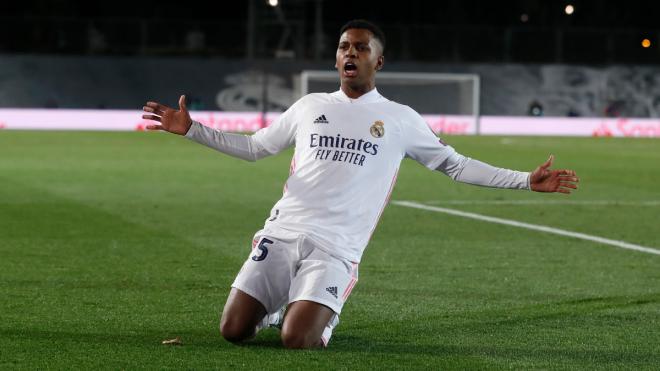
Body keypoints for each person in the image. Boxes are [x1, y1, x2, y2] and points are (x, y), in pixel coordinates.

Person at [142, 19, 579, 349]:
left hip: (336, 247)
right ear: (336, 59)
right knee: (233, 332)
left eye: (361, 48)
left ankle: (319, 315)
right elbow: (256, 147)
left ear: (378, 60)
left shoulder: (401, 119)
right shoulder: (310, 105)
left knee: (300, 341)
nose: (351, 53)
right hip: (282, 232)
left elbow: (456, 165)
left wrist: (525, 180)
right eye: (344, 47)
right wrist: (192, 129)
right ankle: (275, 307)